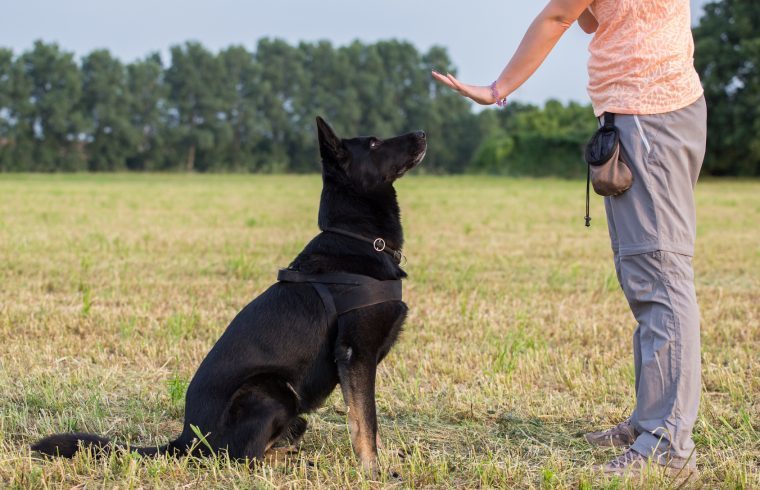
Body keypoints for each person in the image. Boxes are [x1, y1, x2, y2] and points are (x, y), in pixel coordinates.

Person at [433, 0, 705, 479]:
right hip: (652, 111)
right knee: (646, 277)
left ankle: (667, 445)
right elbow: (590, 16)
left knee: (660, 279)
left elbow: (559, 17)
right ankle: (650, 422)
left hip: (648, 117)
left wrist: (498, 88)